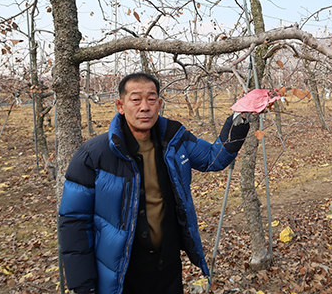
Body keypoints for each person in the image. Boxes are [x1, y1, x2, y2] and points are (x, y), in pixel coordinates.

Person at [59, 72, 250, 294]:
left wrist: (240, 118)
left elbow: (213, 159)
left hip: (167, 266)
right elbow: (74, 222)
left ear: (159, 104)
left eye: (151, 99)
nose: (144, 107)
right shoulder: (94, 155)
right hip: (122, 273)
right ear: (120, 105)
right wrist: (83, 286)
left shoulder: (174, 140)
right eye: (136, 99)